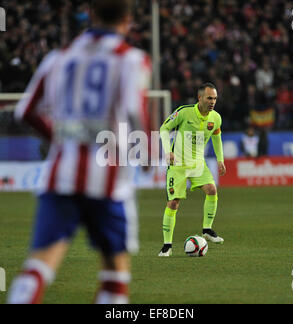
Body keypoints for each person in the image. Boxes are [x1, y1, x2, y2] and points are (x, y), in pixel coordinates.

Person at [7, 0, 151, 304]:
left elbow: (26, 111)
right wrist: (148, 155)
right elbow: (134, 111)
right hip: (109, 182)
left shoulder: (58, 58)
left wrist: (59, 138)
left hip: (61, 176)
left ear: (91, 14)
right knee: (115, 271)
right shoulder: (131, 60)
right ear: (127, 20)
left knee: (39, 265)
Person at [159, 83, 226, 257]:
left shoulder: (216, 118)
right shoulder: (184, 112)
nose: (212, 102)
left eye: (215, 98)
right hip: (178, 165)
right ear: (200, 98)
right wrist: (168, 151)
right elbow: (164, 128)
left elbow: (217, 138)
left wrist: (220, 160)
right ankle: (167, 245)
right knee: (173, 203)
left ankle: (207, 229)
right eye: (209, 98)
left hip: (198, 163)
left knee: (212, 189)